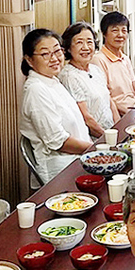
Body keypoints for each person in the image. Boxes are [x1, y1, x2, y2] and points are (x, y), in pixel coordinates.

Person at [20, 28, 93, 184]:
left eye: (57, 51)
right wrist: (95, 150)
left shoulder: (51, 80)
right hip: (62, 172)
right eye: (45, 54)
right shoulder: (36, 89)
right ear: (29, 60)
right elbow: (58, 141)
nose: (54, 58)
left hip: (80, 160)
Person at [59, 21, 120, 138]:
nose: (86, 47)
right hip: (93, 139)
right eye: (79, 43)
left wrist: (118, 129)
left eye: (89, 42)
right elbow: (86, 119)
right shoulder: (69, 76)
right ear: (69, 48)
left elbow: (110, 102)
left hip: (111, 133)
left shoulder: (95, 69)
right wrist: (109, 139)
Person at [93, 11, 135, 115]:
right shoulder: (98, 60)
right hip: (121, 114)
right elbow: (106, 98)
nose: (120, 35)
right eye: (115, 30)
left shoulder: (125, 58)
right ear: (104, 33)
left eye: (124, 31)